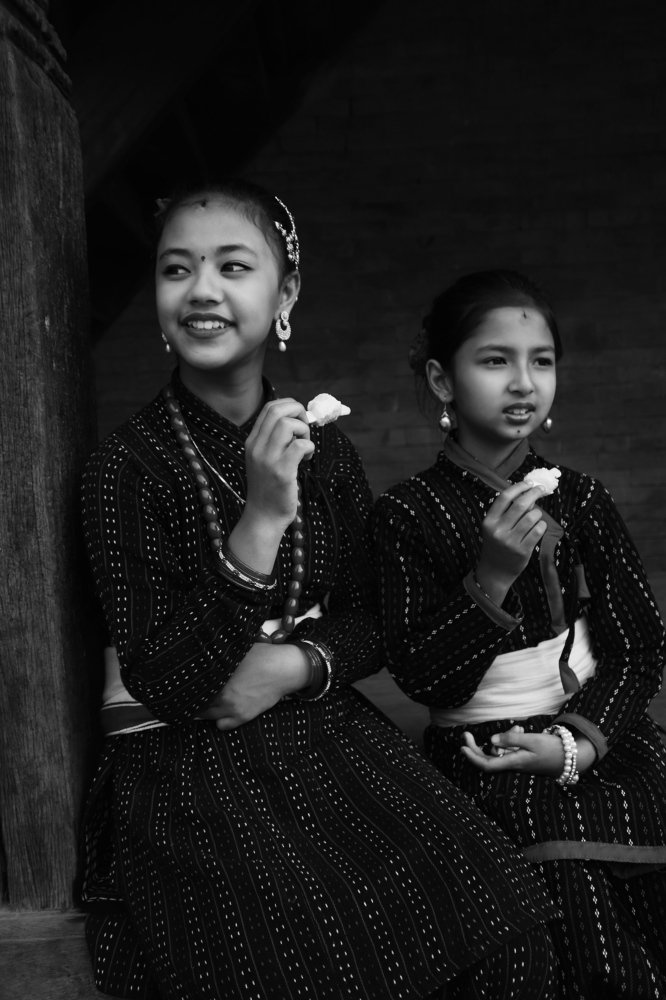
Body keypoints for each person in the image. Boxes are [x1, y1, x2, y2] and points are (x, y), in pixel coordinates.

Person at [79, 189, 559, 1000]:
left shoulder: (324, 448)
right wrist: (261, 518)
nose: (202, 290)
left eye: (234, 267)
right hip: (187, 767)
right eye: (176, 270)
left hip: (323, 731)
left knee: (504, 920)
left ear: (285, 296)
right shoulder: (124, 467)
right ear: (159, 304)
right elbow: (166, 678)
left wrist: (297, 665)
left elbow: (372, 618)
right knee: (319, 956)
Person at [373, 268, 666, 999]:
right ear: (442, 381)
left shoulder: (584, 499)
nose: (523, 382)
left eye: (541, 361)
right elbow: (420, 675)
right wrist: (493, 578)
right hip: (480, 755)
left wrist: (576, 742)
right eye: (494, 360)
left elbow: (639, 645)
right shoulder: (407, 514)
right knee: (545, 933)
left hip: (593, 743)